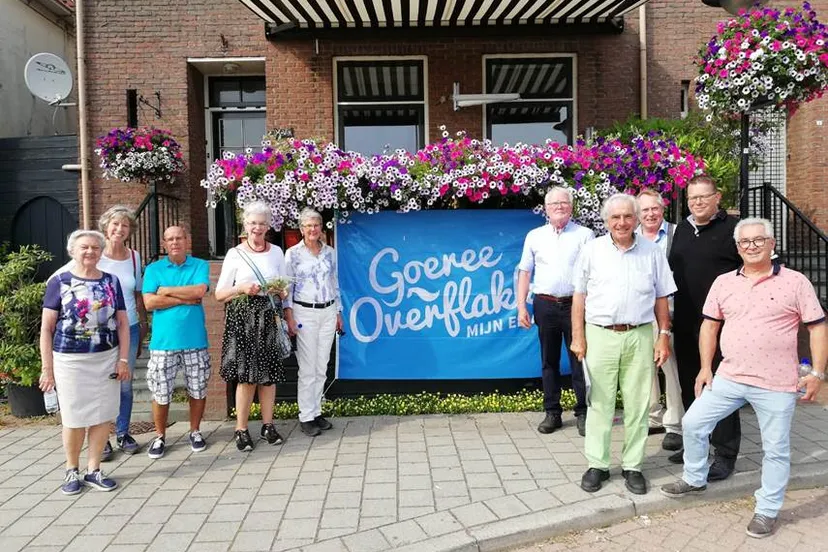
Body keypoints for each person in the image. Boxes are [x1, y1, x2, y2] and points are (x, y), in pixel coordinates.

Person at [661, 218, 827, 539]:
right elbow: (709, 325)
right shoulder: (724, 282)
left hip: (776, 383)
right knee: (694, 423)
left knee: (775, 449)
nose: (751, 246)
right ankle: (695, 478)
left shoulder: (795, 283)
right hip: (729, 377)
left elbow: (818, 326)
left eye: (758, 240)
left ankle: (766, 510)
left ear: (772, 243)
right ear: (737, 248)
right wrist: (706, 367)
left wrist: (817, 372)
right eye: (744, 242)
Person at [571, 193, 676, 495]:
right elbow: (579, 296)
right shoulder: (591, 251)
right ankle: (598, 464)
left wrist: (663, 335)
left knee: (638, 402)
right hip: (600, 334)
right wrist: (578, 336)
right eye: (615, 217)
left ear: (636, 219)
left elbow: (661, 297)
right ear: (606, 221)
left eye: (627, 216)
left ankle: (633, 465)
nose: (622, 222)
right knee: (599, 402)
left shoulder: (652, 252)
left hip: (640, 333)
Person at [39, 230, 131, 495]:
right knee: (74, 416)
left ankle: (94, 469)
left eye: (94, 247)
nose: (90, 252)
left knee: (103, 414)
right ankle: (71, 469)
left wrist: (123, 358)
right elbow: (47, 328)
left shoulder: (111, 282)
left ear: (101, 252)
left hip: (106, 358)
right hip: (70, 360)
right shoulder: (59, 281)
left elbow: (123, 323)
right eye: (84, 248)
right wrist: (47, 368)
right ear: (73, 251)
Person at [668, 175, 742, 478]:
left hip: (721, 325)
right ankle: (695, 441)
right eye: (692, 198)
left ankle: (725, 453)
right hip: (686, 321)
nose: (697, 203)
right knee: (690, 383)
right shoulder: (683, 229)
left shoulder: (733, 230)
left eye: (703, 197)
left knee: (721, 389)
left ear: (717, 197)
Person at [517, 187, 594, 436]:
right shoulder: (534, 236)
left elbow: (594, 272)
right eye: (554, 204)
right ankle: (552, 412)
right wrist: (521, 307)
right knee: (548, 361)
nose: (559, 207)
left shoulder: (585, 235)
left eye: (564, 202)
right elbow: (525, 272)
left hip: (576, 305)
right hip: (545, 304)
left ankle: (583, 412)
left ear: (571, 207)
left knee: (579, 360)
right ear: (546, 209)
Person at [216, 201, 288, 451]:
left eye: (262, 223)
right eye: (252, 223)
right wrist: (241, 288)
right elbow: (219, 294)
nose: (257, 228)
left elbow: (286, 288)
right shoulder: (235, 253)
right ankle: (241, 428)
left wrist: (280, 290)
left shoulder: (277, 252)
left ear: (269, 226)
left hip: (269, 315)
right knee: (247, 377)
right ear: (245, 225)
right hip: (244, 317)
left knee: (268, 376)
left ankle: (268, 425)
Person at [142, 226, 211, 459]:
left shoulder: (200, 265)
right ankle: (160, 436)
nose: (175, 242)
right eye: (170, 239)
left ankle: (195, 431)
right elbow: (149, 303)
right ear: (164, 243)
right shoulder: (153, 269)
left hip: (195, 340)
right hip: (163, 343)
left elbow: (200, 291)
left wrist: (168, 291)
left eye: (179, 238)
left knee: (198, 388)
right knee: (161, 392)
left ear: (187, 240)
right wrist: (184, 298)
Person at [284, 208, 342, 437]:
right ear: (301, 229)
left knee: (321, 365)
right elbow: (287, 288)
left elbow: (334, 282)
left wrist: (338, 312)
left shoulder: (330, 253)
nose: (312, 229)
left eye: (316, 225)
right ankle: (306, 416)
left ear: (321, 228)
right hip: (304, 313)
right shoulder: (293, 254)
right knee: (307, 367)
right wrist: (289, 315)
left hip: (327, 311)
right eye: (308, 225)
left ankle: (316, 410)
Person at [635, 190, 683, 452]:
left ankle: (675, 423)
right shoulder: (634, 238)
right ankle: (654, 416)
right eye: (644, 211)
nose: (650, 214)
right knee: (645, 367)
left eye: (654, 209)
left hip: (671, 313)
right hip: (641, 315)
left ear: (662, 209)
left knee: (671, 367)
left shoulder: (678, 234)